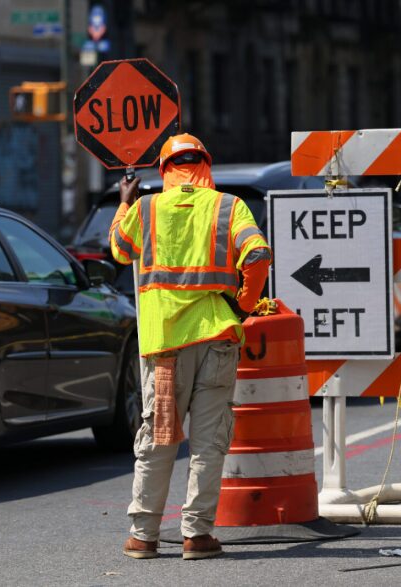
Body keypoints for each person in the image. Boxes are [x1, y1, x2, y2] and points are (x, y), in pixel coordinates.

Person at [108, 133, 271, 560]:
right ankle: (196, 536)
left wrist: (125, 200)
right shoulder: (228, 207)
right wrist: (242, 307)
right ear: (206, 165)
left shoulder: (146, 209)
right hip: (216, 339)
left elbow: (119, 251)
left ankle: (143, 536)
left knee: (159, 438)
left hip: (164, 347)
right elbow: (257, 255)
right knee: (208, 441)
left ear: (164, 170)